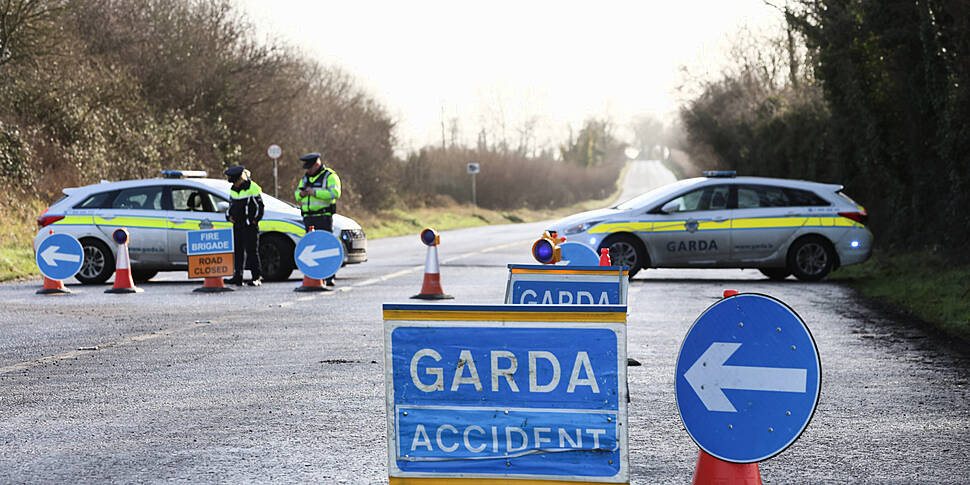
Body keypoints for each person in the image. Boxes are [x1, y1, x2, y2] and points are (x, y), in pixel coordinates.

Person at [295, 152, 341, 286]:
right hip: (308, 218)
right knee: (311, 247)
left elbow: (335, 193)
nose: (308, 170)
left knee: (326, 247)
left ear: (317, 164)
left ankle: (329, 276)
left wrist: (315, 192)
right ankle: (314, 275)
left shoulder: (330, 176)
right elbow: (297, 194)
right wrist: (302, 194)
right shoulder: (305, 178)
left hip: (324, 216)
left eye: (310, 167)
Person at [224, 165, 264, 286]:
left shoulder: (253, 188)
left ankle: (256, 277)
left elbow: (260, 207)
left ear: (240, 179)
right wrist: (228, 216)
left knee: (252, 251)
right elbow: (231, 204)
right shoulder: (233, 189)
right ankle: (238, 276)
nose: (234, 184)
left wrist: (255, 220)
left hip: (249, 226)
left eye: (235, 181)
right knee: (238, 251)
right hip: (237, 225)